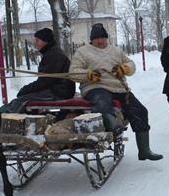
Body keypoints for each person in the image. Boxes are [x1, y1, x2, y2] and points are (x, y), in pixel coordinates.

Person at [69, 23, 163, 161]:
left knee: (140, 111)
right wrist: (87, 74)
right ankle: (114, 130)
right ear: (92, 40)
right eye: (97, 38)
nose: (100, 41)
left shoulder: (116, 51)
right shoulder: (82, 52)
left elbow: (131, 64)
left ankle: (144, 150)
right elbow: (73, 72)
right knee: (102, 105)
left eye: (103, 38)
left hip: (118, 87)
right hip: (95, 87)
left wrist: (125, 68)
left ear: (107, 38)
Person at [1, 28, 75, 113]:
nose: (35, 44)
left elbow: (45, 82)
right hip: (58, 90)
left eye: (37, 40)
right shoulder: (52, 52)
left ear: (45, 41)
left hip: (59, 92)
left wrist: (26, 89)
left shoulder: (53, 55)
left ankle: (5, 116)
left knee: (21, 100)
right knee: (23, 98)